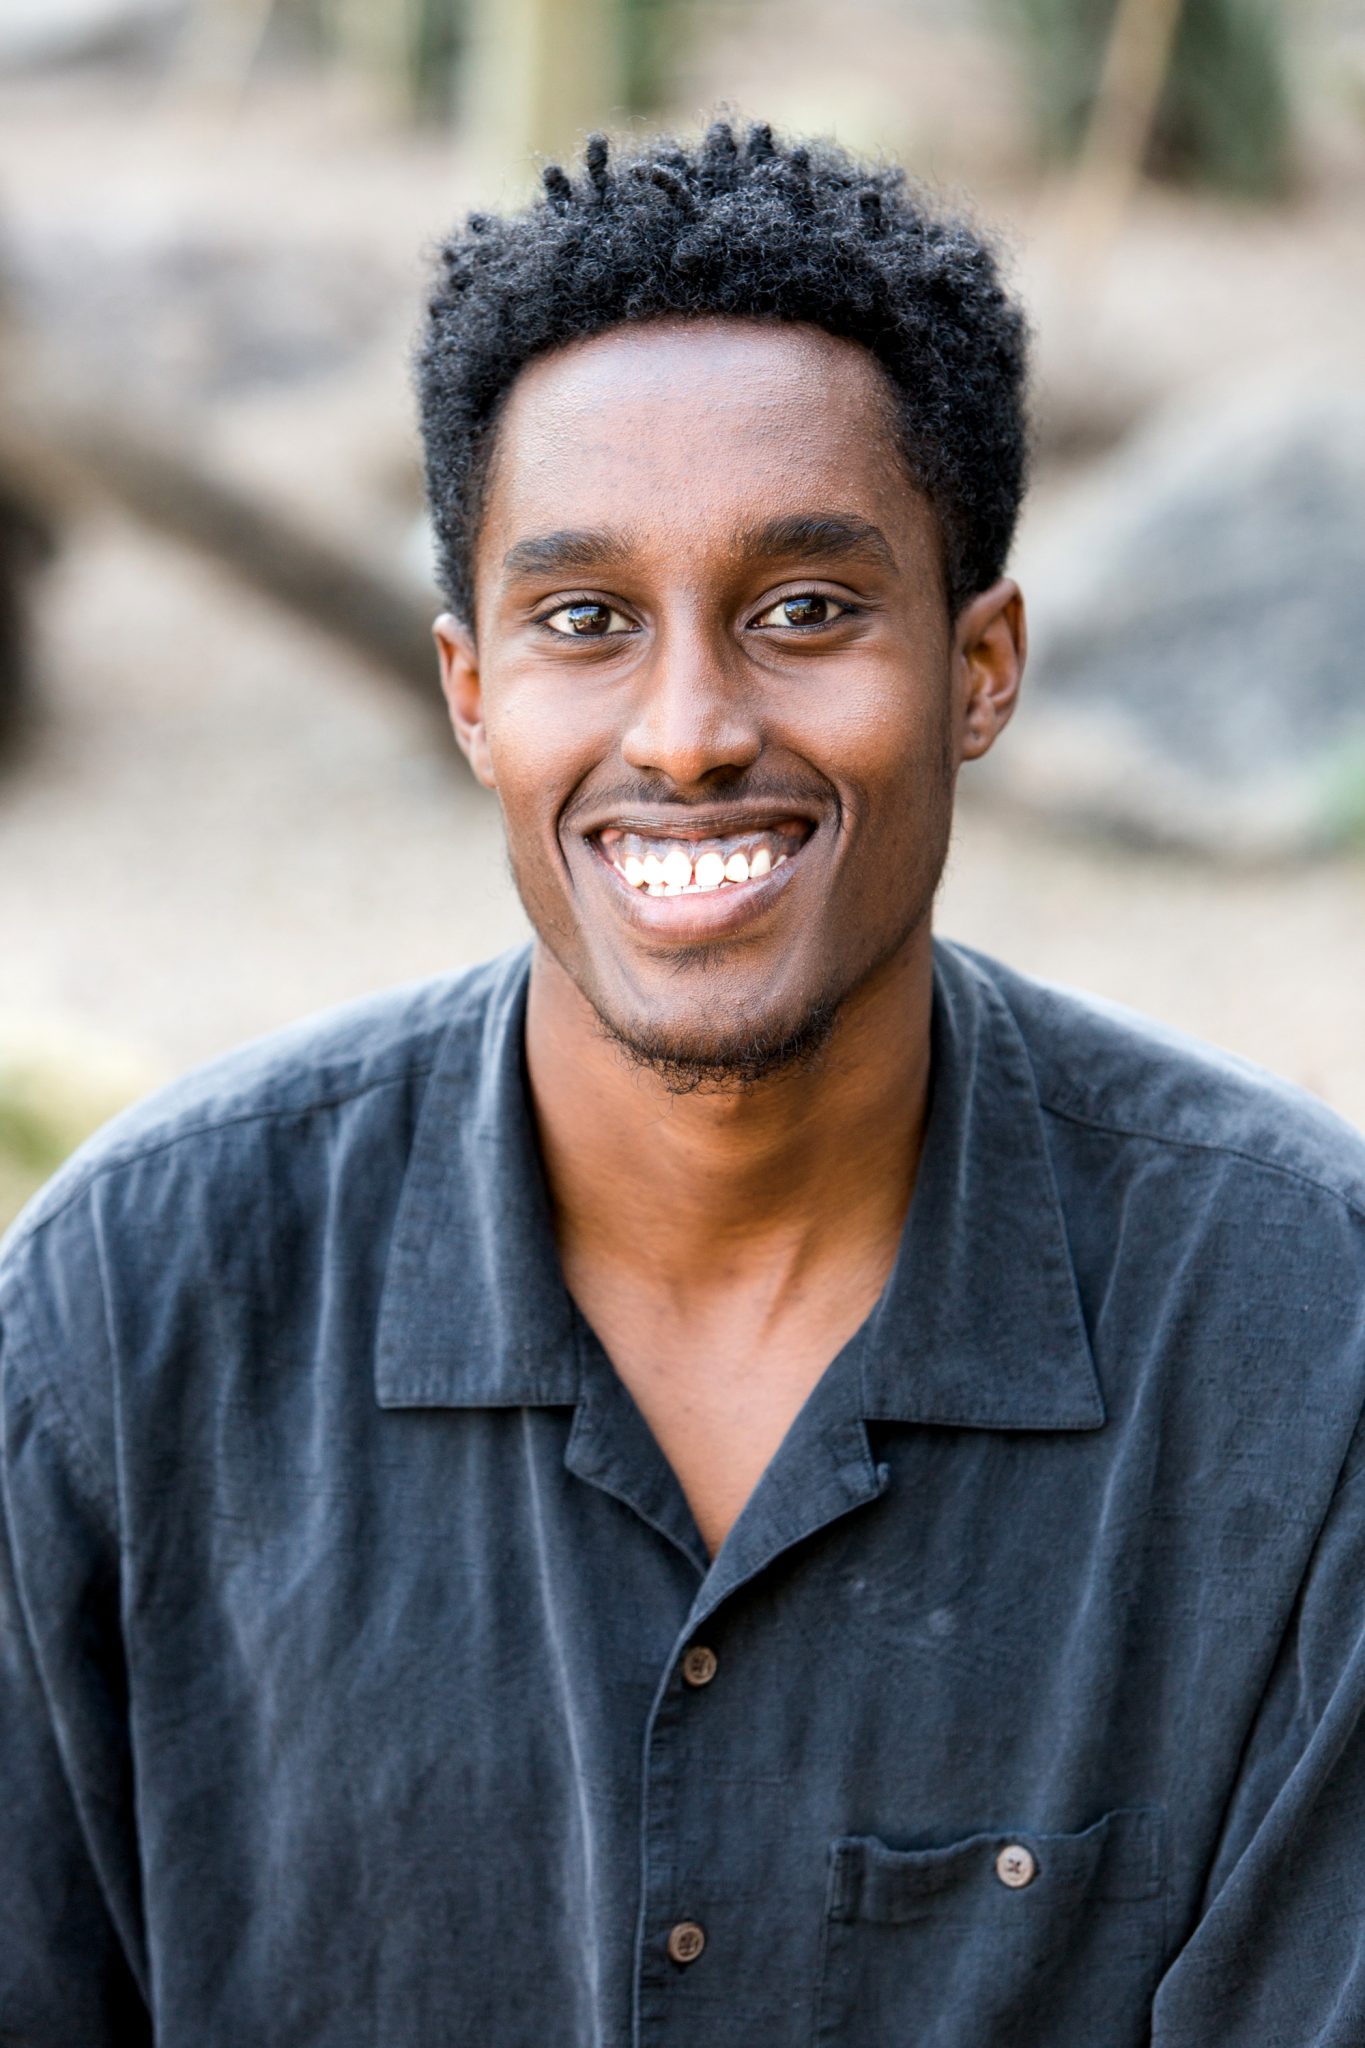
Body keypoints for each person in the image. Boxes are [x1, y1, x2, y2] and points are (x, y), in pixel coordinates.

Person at [3, 120, 1364, 2048]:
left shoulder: (1304, 1341)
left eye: (805, 609)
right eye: (584, 621)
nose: (689, 730)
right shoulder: (123, 1325)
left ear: (979, 670)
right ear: (471, 693)